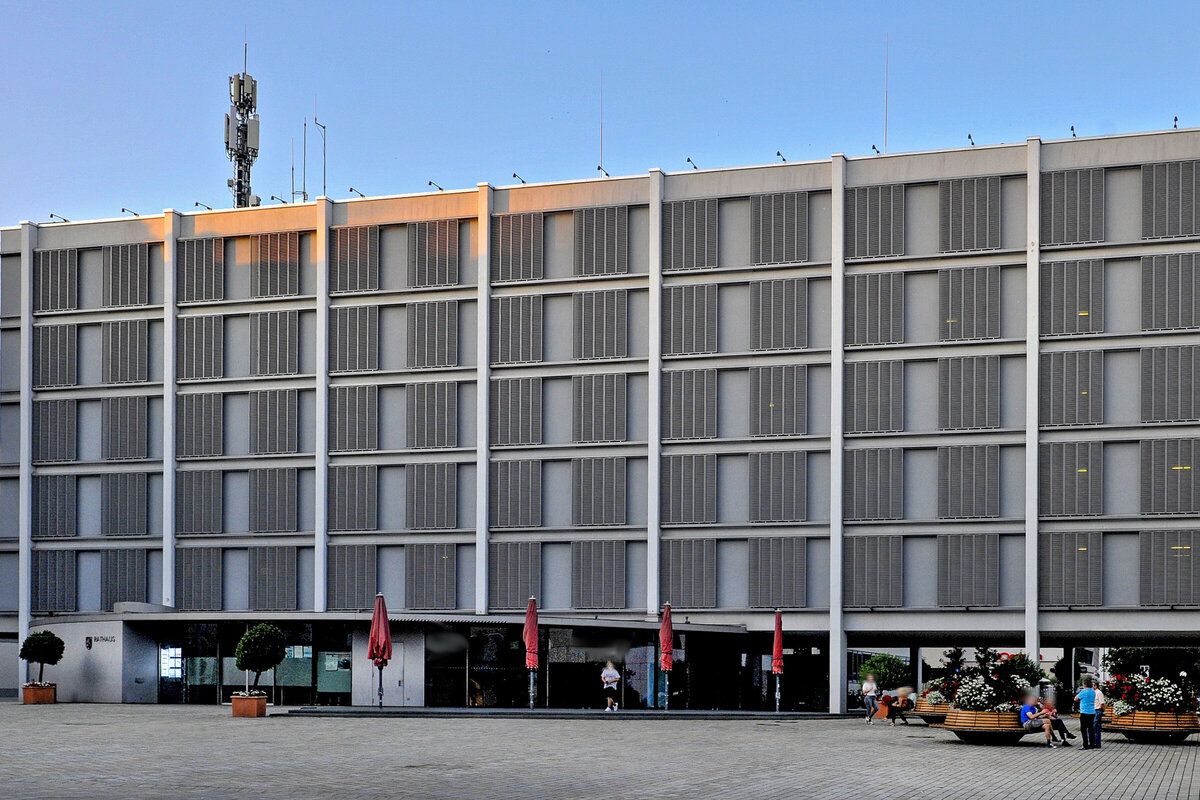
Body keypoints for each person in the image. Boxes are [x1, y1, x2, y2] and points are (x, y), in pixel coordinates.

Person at [1075, 676, 1098, 750]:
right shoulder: (1093, 692)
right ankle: (1092, 744)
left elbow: (1076, 699)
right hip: (1092, 712)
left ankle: (1085, 744)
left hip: (1084, 712)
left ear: (1084, 684)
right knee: (1091, 728)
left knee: (1083, 729)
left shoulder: (1083, 692)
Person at [1091, 682, 1105, 750]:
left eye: (1093, 685)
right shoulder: (1093, 692)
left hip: (1097, 710)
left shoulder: (1099, 693)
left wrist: (1102, 710)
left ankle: (1097, 743)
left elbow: (1102, 703)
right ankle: (1093, 742)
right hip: (1093, 711)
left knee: (1096, 727)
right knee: (1093, 727)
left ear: (1095, 686)